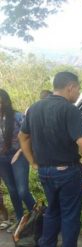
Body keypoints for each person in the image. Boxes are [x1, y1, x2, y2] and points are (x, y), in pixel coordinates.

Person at [18, 71, 82, 247]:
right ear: (71, 87)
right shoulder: (70, 110)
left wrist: (33, 162)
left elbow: (22, 137)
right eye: (78, 89)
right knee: (70, 215)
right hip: (68, 172)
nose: (78, 93)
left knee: (52, 211)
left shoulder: (34, 108)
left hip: (45, 171)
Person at [0, 89, 35, 233]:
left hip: (18, 155)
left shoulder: (17, 117)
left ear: (5, 102)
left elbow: (29, 135)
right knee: (12, 191)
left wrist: (21, 151)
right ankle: (21, 220)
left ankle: (39, 216)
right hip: (2, 159)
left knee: (22, 190)